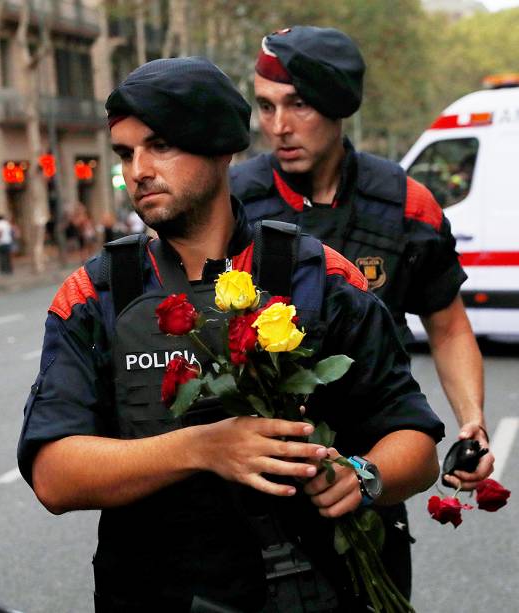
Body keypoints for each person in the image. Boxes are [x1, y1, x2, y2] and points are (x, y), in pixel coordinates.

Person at [18, 56, 443, 612]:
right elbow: (54, 474)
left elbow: (414, 441)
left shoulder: (322, 277)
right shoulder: (93, 296)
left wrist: (364, 476)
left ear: (221, 147)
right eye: (125, 154)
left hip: (313, 591)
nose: (138, 170)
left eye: (160, 146)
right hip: (153, 596)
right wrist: (202, 447)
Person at [230, 25, 493, 597]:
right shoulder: (230, 203)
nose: (277, 126)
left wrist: (472, 420)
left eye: (297, 105)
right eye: (267, 107)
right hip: (257, 485)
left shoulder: (406, 203)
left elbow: (447, 327)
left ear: (337, 104)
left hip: (377, 471)